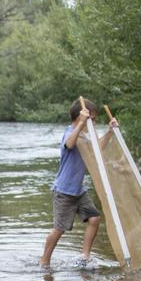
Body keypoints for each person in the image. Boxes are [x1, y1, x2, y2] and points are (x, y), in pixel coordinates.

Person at [39, 98, 119, 269]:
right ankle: (44, 261)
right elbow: (69, 144)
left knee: (95, 218)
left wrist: (110, 132)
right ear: (80, 117)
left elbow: (97, 149)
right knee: (59, 229)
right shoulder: (71, 133)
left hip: (79, 190)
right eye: (93, 119)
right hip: (64, 191)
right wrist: (81, 123)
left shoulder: (84, 136)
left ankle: (85, 256)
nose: (94, 123)